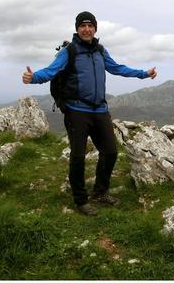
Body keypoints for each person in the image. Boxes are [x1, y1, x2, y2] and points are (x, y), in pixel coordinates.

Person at [22, 11, 157, 216]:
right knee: (78, 157)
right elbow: (51, 71)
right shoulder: (69, 51)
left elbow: (118, 68)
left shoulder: (100, 51)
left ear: (95, 28)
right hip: (77, 111)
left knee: (110, 152)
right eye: (82, 26)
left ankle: (100, 192)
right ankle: (81, 200)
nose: (86, 29)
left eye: (90, 26)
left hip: (100, 110)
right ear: (77, 29)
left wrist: (143, 74)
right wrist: (33, 78)